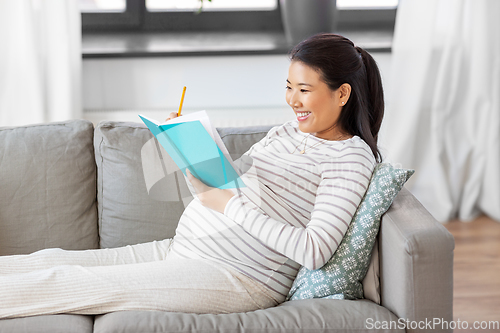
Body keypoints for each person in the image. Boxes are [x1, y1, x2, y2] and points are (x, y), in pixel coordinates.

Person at [0, 33, 384, 319]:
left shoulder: (349, 158)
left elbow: (314, 251)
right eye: (288, 87)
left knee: (64, 282)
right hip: (184, 248)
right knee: (52, 259)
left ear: (342, 94)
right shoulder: (285, 132)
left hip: (237, 276)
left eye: (304, 90)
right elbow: (222, 188)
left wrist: (228, 205)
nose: (292, 100)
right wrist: (188, 152)